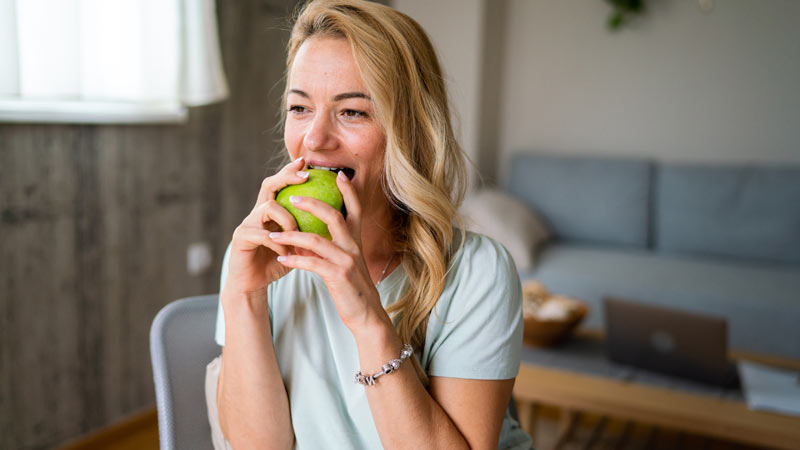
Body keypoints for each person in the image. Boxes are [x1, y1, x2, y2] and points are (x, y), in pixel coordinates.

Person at [205, 0, 533, 448]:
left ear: (410, 130)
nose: (315, 138)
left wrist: (366, 316)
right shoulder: (258, 253)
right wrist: (243, 296)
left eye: (353, 112)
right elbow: (258, 445)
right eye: (299, 108)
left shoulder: (478, 272)